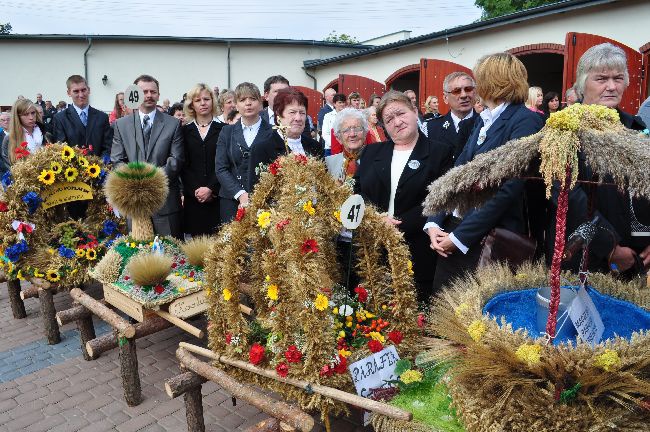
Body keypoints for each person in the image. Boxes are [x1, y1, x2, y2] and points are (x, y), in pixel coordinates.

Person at [426, 52, 544, 294]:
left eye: (479, 79)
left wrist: (460, 237)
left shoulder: (525, 120)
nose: (476, 86)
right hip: (456, 227)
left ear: (494, 81)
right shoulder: (484, 118)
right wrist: (434, 222)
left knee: (475, 317)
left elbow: (509, 189)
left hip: (488, 235)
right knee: (443, 310)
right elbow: (457, 173)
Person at [553, 43, 648, 279]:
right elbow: (568, 196)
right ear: (582, 84)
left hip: (637, 259)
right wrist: (611, 247)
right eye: (601, 78)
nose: (611, 86)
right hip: (587, 257)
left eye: (618, 78)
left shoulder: (637, 129)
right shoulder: (563, 130)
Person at [355, 91, 454, 302]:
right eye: (389, 119)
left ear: (415, 111)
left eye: (401, 113)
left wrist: (398, 225)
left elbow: (440, 197)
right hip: (374, 249)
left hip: (418, 249)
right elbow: (357, 193)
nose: (397, 122)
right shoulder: (371, 153)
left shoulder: (440, 152)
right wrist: (375, 218)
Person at [111, 74, 185, 238]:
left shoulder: (173, 124)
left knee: (172, 257)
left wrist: (152, 185)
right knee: (138, 256)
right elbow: (117, 160)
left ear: (158, 94)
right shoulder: (121, 125)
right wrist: (136, 187)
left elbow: (176, 160)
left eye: (153, 91)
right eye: (144, 91)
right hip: (134, 205)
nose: (149, 95)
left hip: (165, 204)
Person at [215, 82, 272, 223]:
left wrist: (260, 195)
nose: (248, 104)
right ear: (236, 104)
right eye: (242, 100)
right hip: (231, 201)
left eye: (252, 99)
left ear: (260, 102)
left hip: (265, 202)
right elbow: (221, 168)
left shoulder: (273, 132)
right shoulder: (226, 132)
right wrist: (240, 194)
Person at [248, 88, 323, 191]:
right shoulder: (262, 149)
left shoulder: (315, 146)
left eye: (302, 113)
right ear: (279, 115)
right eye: (292, 112)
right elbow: (256, 192)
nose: (298, 118)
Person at [181, 84, 224, 236]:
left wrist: (211, 189)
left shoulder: (224, 129)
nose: (203, 103)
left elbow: (226, 163)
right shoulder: (184, 131)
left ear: (213, 101)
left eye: (207, 99)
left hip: (218, 197)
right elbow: (183, 165)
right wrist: (197, 192)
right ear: (191, 104)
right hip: (194, 199)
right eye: (198, 100)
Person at [52, 75, 113, 157]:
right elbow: (62, 149)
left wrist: (101, 164)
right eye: (76, 91)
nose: (81, 95)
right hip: (73, 168)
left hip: (100, 167)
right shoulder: (60, 119)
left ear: (89, 90)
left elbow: (108, 147)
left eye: (83, 90)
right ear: (69, 93)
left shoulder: (102, 117)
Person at [426, 72, 479, 160]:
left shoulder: (486, 123)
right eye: (457, 91)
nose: (464, 95)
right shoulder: (431, 128)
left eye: (468, 89)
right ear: (445, 98)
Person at [1, 99, 48, 176]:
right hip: (26, 182)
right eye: (25, 114)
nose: (31, 117)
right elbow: (10, 167)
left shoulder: (45, 133)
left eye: (33, 113)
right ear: (17, 117)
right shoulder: (9, 139)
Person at [325, 108, 368, 184]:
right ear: (339, 138)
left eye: (357, 129)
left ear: (365, 133)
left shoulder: (377, 161)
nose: (352, 134)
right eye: (346, 130)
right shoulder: (328, 164)